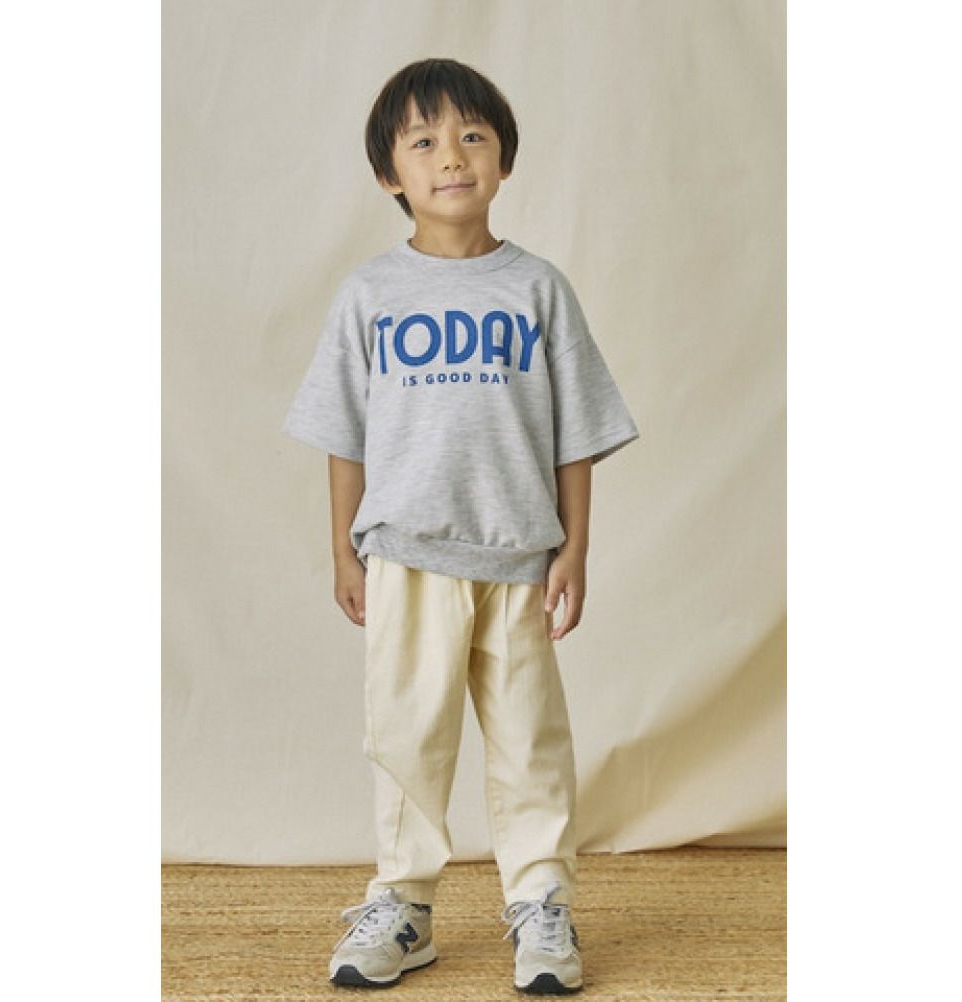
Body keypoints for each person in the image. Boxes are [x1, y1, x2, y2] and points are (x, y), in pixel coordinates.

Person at [282, 57, 639, 995]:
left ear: (504, 160)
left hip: (518, 557)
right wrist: (344, 549)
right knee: (407, 737)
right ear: (389, 174)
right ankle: (403, 906)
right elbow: (342, 435)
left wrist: (574, 548)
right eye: (425, 141)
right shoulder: (369, 295)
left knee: (530, 742)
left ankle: (541, 904)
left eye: (473, 136)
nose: (452, 157)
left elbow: (576, 435)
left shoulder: (539, 289)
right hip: (404, 555)